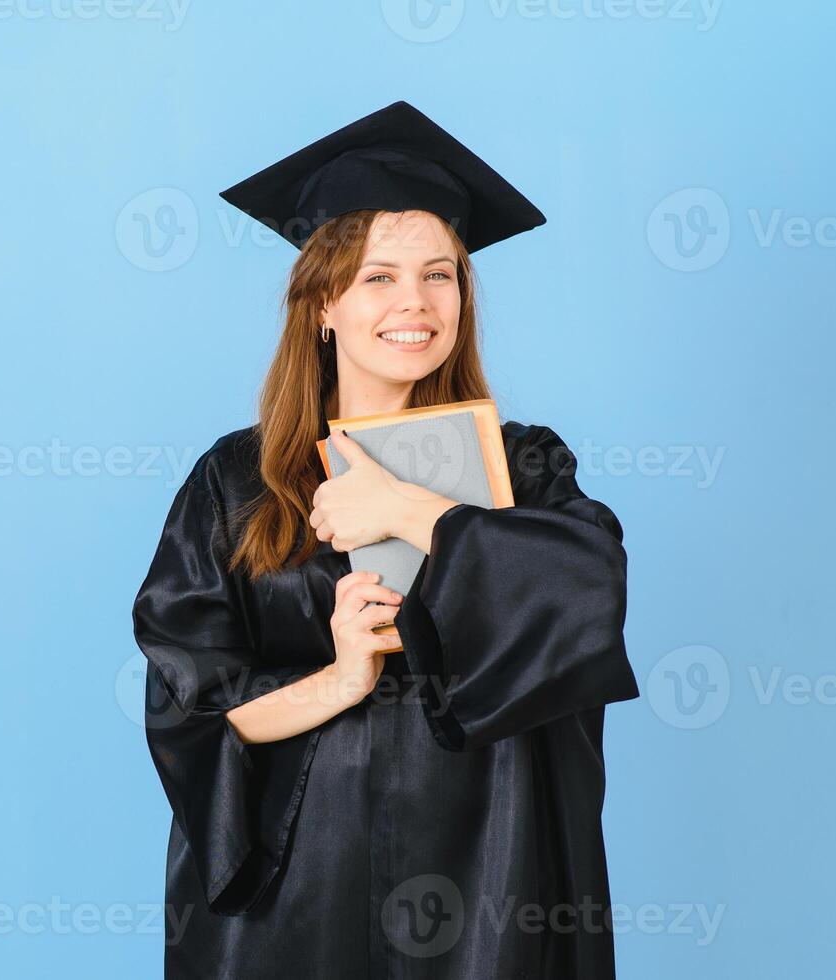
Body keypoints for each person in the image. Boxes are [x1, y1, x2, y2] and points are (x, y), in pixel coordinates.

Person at [132, 101, 640, 978]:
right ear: (323, 303)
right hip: (300, 892)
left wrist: (411, 511)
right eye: (378, 277)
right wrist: (339, 678)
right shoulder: (237, 481)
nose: (415, 302)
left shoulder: (526, 469)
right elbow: (191, 706)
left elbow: (588, 598)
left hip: (496, 879)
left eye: (440, 275)